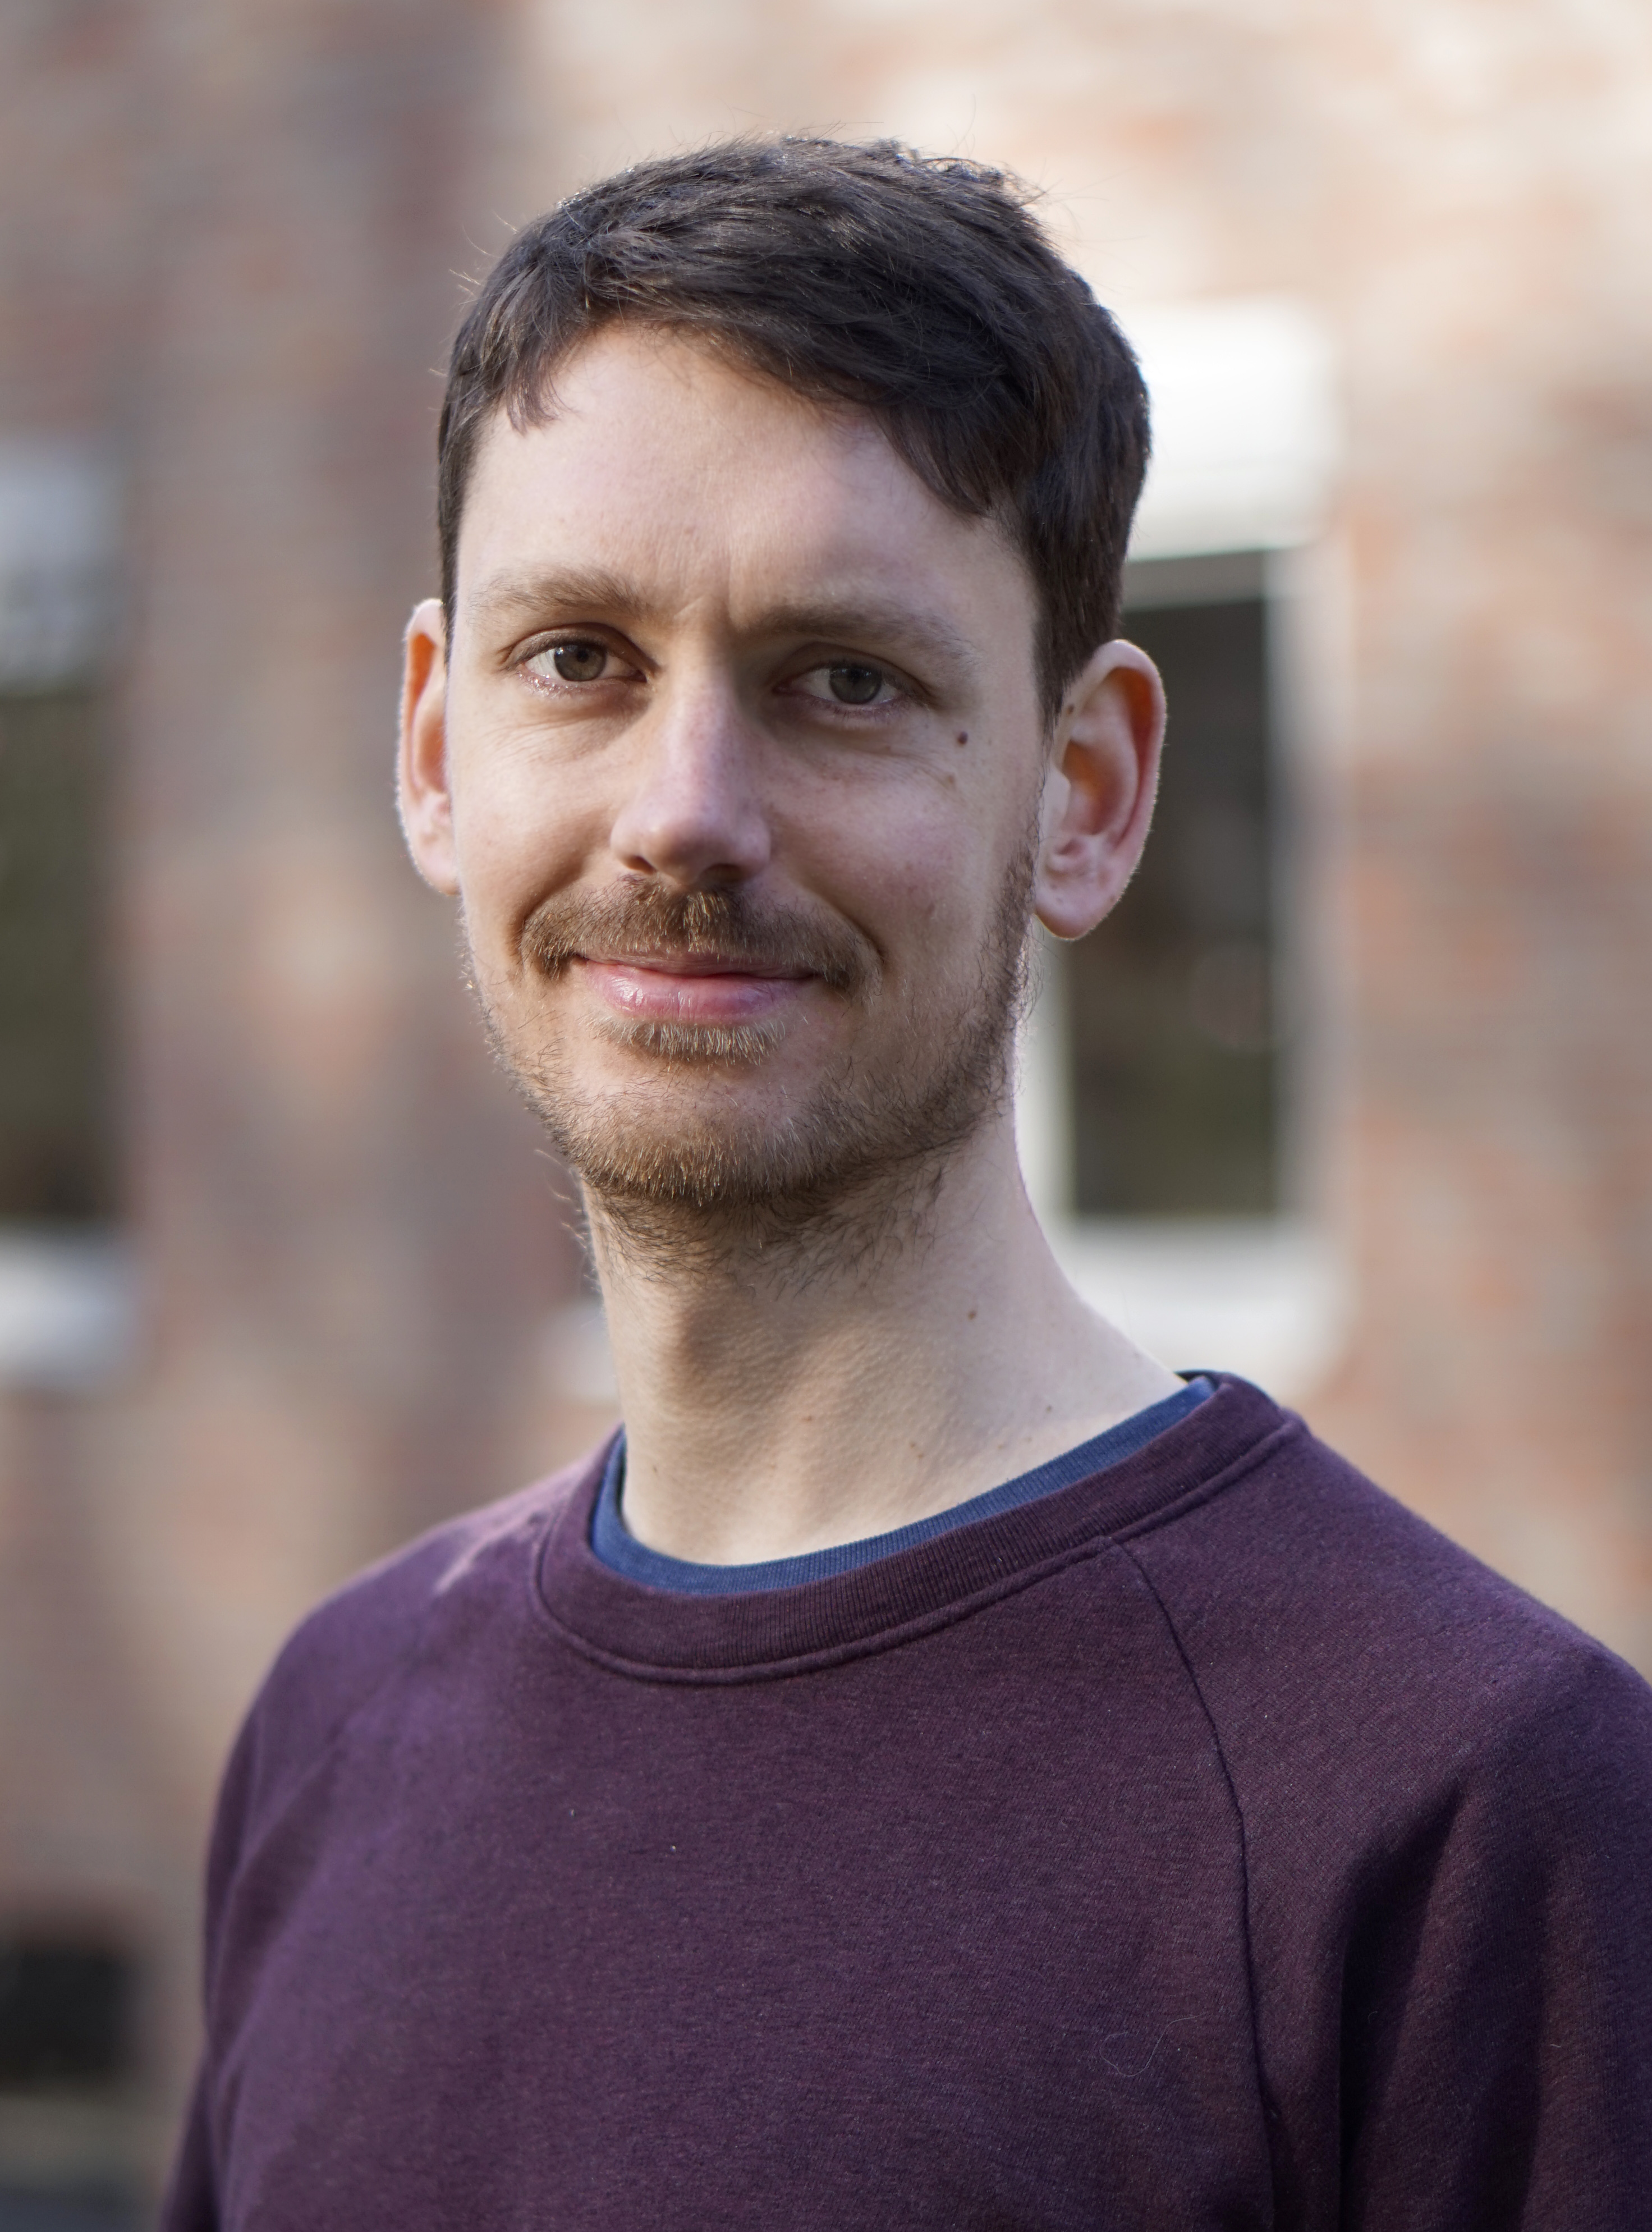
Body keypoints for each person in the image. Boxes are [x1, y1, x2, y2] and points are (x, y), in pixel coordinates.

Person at [163, 138, 1652, 2230]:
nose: (685, 813)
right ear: (434, 745)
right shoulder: (335, 1728)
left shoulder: (1472, 1815)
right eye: (579, 657)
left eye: (844, 680)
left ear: (1087, 791)